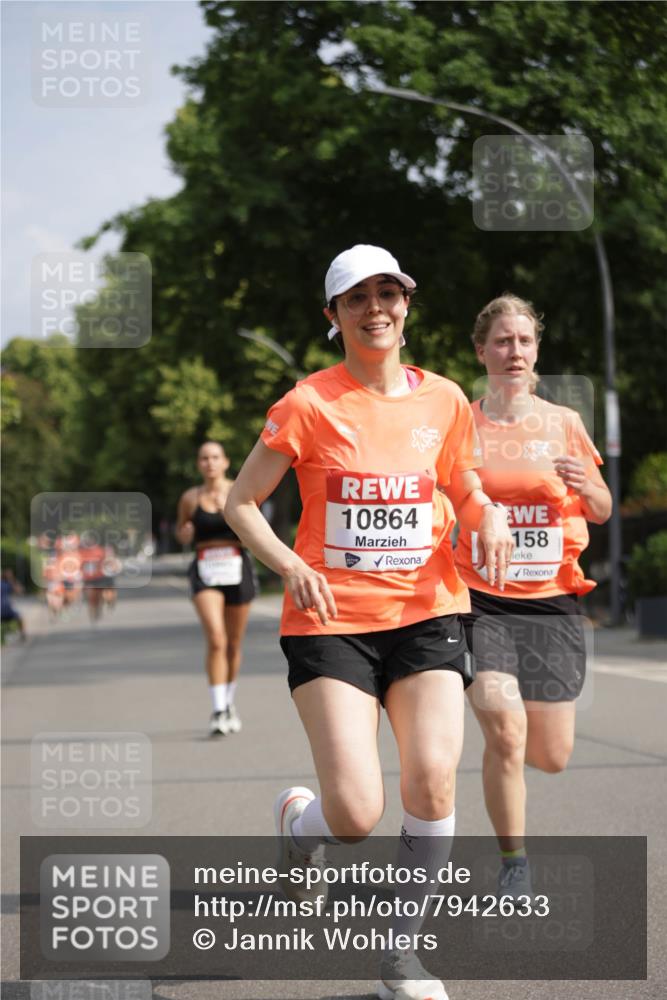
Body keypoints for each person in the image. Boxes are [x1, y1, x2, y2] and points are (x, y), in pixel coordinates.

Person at [225, 245, 513, 1000]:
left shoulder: (445, 399)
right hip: (329, 623)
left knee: (432, 777)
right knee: (354, 813)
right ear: (334, 316)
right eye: (357, 298)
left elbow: (465, 485)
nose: (375, 307)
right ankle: (300, 823)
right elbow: (240, 504)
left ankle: (400, 955)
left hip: (428, 613)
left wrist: (487, 518)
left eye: (388, 293)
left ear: (407, 305)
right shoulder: (308, 403)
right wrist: (289, 564)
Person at [455, 293, 612, 899]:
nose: (513, 350)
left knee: (550, 755)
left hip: (552, 601)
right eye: (501, 340)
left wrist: (585, 485)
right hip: (481, 598)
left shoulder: (563, 424)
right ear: (482, 351)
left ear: (536, 350)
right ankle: (514, 862)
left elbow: (599, 509)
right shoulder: (463, 423)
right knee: (507, 734)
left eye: (523, 340)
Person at [176, 442, 257, 737]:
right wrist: (184, 534)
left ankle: (229, 701)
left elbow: (256, 531)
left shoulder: (240, 491)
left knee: (234, 643)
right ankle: (218, 708)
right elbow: (181, 531)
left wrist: (243, 529)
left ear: (225, 462)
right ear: (199, 464)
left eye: (214, 457)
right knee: (216, 638)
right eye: (204, 458)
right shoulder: (190, 498)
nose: (209, 463)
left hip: (236, 566)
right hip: (205, 568)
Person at [1, 568, 26, 640]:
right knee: (20, 618)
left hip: (6, 610)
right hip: (6, 610)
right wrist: (13, 580)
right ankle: (22, 635)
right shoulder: (8, 584)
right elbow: (20, 591)